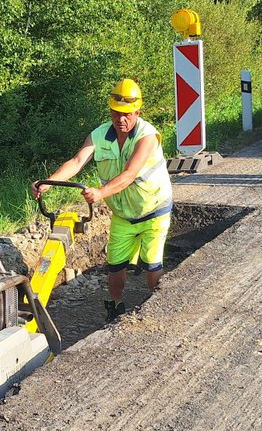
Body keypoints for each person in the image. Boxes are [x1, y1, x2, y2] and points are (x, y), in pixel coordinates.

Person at [33, 78, 173, 319]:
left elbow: (129, 175)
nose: (121, 119)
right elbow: (77, 161)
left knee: (152, 264)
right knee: (115, 265)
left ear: (137, 112)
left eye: (126, 114)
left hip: (154, 211)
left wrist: (100, 193)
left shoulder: (147, 136)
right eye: (116, 113)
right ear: (110, 111)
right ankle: (116, 306)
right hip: (123, 215)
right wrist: (48, 182)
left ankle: (155, 313)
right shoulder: (99, 135)